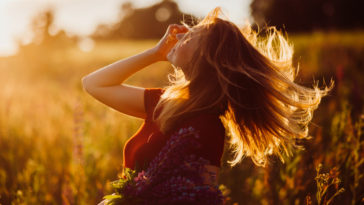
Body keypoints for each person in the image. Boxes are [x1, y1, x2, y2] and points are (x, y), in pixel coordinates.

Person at [82, 7, 333, 205]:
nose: (180, 36)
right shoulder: (166, 102)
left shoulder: (207, 127)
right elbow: (93, 84)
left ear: (207, 57)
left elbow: (202, 198)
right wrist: (155, 53)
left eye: (192, 36)